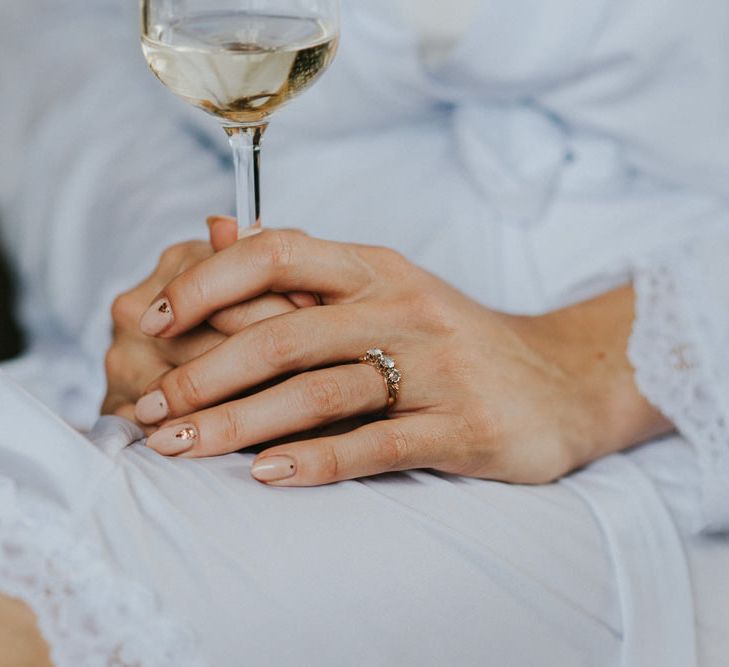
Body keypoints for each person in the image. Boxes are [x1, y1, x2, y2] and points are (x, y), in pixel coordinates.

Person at [0, 1, 728, 665]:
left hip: (659, 435)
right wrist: (184, 294)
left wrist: (596, 364)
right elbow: (58, 40)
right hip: (259, 375)